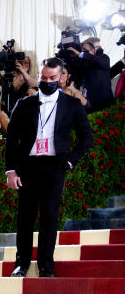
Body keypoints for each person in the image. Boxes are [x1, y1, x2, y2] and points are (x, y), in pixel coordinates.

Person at [5, 57, 94, 279]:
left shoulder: (72, 105)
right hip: (28, 167)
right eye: (43, 77)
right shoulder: (24, 104)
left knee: (50, 217)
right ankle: (21, 264)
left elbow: (86, 138)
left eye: (52, 78)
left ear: (62, 77)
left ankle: (46, 266)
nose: (47, 81)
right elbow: (11, 139)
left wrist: (71, 161)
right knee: (25, 218)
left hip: (55, 167)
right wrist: (11, 171)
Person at [73, 37, 113, 112]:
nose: (83, 51)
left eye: (85, 50)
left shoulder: (104, 58)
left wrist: (81, 54)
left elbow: (96, 61)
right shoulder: (83, 62)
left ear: (94, 49)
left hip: (102, 102)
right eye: (82, 50)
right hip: (87, 101)